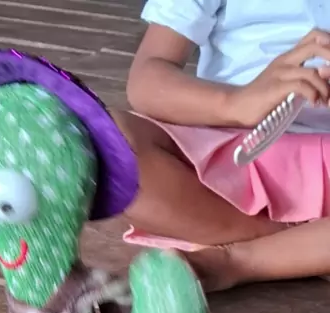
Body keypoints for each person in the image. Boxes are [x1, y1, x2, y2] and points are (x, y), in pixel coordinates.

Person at [113, 2, 330, 291]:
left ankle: (240, 259)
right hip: (224, 153)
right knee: (110, 141)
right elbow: (146, 79)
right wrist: (236, 103)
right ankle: (303, 247)